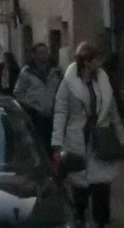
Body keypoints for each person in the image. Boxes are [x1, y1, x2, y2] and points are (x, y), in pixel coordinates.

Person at [52, 42, 124, 228]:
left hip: (101, 135)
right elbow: (61, 111)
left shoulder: (103, 81)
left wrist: (121, 138)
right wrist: (57, 142)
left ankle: (101, 221)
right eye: (96, 59)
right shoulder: (69, 83)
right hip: (78, 136)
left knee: (102, 184)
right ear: (86, 61)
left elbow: (112, 111)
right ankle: (79, 218)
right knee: (79, 184)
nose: (100, 62)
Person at [14, 42, 62, 153]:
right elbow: (18, 92)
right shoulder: (27, 72)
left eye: (46, 52)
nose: (44, 55)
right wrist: (30, 106)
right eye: (40, 52)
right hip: (35, 115)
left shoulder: (56, 71)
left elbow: (61, 90)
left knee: (53, 146)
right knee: (38, 145)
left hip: (53, 115)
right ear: (34, 55)